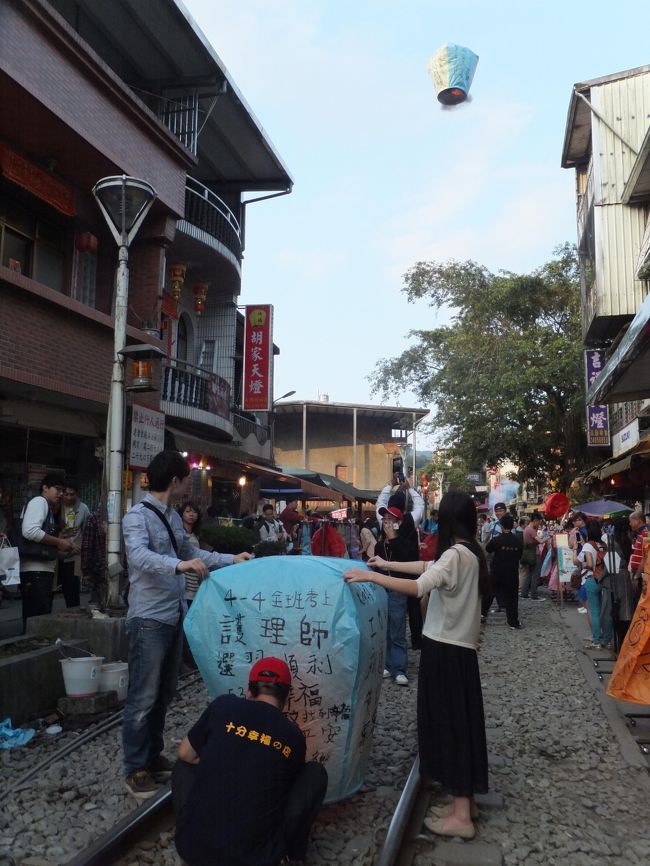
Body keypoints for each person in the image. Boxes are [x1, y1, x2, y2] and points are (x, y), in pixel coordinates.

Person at [345, 491, 489, 840]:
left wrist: (372, 577)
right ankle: (464, 803)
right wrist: (385, 564)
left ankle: (461, 817)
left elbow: (419, 585)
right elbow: (427, 568)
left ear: (448, 521)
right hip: (460, 652)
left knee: (450, 726)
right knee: (461, 725)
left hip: (445, 651)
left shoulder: (455, 554)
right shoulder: (471, 553)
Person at [121, 450, 253, 800]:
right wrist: (180, 567)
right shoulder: (136, 516)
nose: (188, 487)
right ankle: (134, 768)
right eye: (186, 479)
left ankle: (151, 755)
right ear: (175, 480)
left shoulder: (174, 519)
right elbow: (139, 557)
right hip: (148, 617)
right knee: (143, 696)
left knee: (164, 694)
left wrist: (231, 559)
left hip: (174, 614)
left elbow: (193, 554)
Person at [172, 656, 328, 866]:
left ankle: (193, 828)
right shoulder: (294, 736)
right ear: (286, 697)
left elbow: (184, 754)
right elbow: (286, 792)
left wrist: (221, 762)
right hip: (256, 859)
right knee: (315, 773)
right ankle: (292, 854)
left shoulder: (224, 706)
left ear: (249, 690)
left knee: (182, 766)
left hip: (191, 850)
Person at [18, 473, 74, 633]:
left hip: (39, 571)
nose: (61, 494)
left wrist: (65, 548)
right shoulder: (39, 501)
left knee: (37, 619)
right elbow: (30, 531)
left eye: (63, 490)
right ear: (45, 488)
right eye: (57, 489)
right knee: (35, 622)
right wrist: (59, 542)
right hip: (35, 572)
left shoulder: (46, 506)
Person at [375, 503, 420, 683]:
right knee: (384, 629)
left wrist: (393, 538)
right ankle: (387, 665)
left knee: (397, 630)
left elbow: (408, 560)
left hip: (397, 589)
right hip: (381, 589)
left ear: (398, 523)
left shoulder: (406, 544)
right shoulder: (379, 546)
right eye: (384, 520)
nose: (386, 523)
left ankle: (399, 668)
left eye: (390, 520)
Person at [577, 519, 613, 649]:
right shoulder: (604, 544)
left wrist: (576, 549)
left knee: (595, 611)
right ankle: (608, 640)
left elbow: (583, 562)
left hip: (592, 579)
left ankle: (596, 641)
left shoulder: (588, 545)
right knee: (606, 611)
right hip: (604, 579)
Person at [484, 514, 523, 629]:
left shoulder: (497, 540)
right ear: (513, 525)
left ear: (501, 526)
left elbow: (488, 548)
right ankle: (513, 622)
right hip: (512, 572)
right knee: (512, 598)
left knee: (490, 593)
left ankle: (482, 613)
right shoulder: (517, 541)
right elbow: (519, 556)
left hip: (497, 571)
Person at [59, 481, 90, 608]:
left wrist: (83, 547)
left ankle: (73, 613)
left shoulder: (83, 508)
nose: (69, 497)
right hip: (55, 553)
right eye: (66, 494)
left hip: (73, 555)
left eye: (72, 494)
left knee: (72, 590)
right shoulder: (56, 506)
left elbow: (87, 531)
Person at [178, 501, 204, 606]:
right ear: (182, 514)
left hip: (195, 584)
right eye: (188, 511)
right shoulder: (180, 534)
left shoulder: (195, 535)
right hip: (184, 585)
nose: (191, 514)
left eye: (194, 512)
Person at [520, 512, 544, 600]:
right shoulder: (531, 530)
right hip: (534, 554)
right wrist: (548, 537)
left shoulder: (527, 529)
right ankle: (534, 594)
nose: (539, 524)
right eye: (539, 522)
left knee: (530, 574)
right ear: (535, 520)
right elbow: (540, 541)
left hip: (529, 554)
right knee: (535, 575)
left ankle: (524, 592)